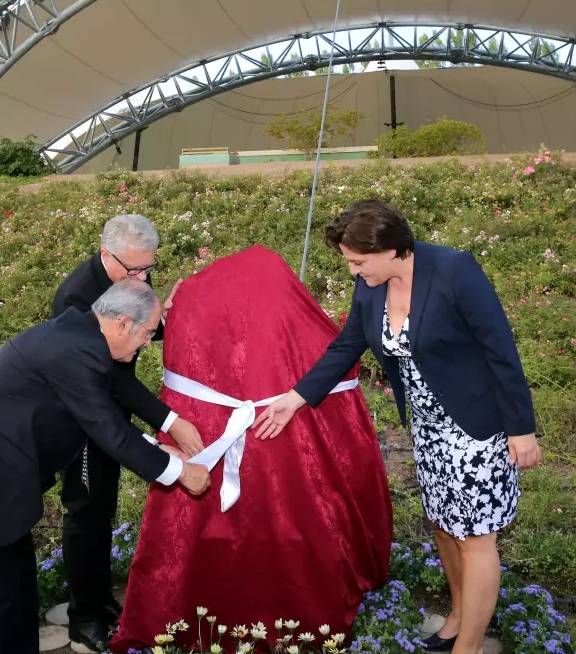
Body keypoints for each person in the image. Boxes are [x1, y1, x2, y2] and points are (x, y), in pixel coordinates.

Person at [256, 199, 541, 654]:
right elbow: (348, 343)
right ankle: (458, 618)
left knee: (476, 537)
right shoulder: (372, 285)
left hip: (477, 425)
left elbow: (500, 349)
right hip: (428, 429)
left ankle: (468, 649)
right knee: (444, 526)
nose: (352, 271)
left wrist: (521, 429)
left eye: (357, 261)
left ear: (391, 249)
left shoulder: (454, 271)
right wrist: (295, 398)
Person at [110, 245, 392, 651]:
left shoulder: (198, 327)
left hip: (209, 428)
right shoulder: (298, 336)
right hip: (276, 431)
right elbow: (337, 359)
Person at [0, 280, 211, 654]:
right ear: (122, 323)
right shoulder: (76, 351)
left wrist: (167, 450)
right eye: (148, 332)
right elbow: (110, 433)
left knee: (16, 593)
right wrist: (181, 472)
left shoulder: (83, 336)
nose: (146, 343)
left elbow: (105, 419)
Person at [51, 215, 205, 652]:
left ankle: (100, 600)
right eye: (132, 270)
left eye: (147, 269)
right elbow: (113, 377)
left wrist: (164, 317)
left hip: (110, 407)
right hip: (83, 414)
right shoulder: (77, 297)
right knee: (86, 512)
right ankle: (84, 616)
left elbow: (140, 334)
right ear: (105, 253)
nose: (141, 278)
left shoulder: (132, 274)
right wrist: (168, 420)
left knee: (103, 507)